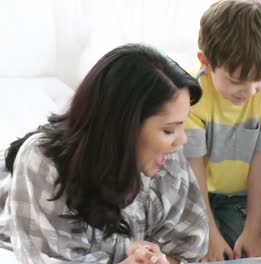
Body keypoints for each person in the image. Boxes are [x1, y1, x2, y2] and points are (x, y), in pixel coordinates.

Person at [0, 44, 208, 264]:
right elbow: (47, 257)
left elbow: (190, 246)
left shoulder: (165, 156)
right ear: (125, 126)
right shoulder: (41, 163)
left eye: (181, 126)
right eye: (168, 130)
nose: (181, 139)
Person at [183, 0, 261, 261]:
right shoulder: (189, 93)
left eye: (259, 80)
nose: (249, 91)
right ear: (205, 63)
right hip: (192, 196)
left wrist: (253, 231)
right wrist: (208, 233)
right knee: (196, 252)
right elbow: (191, 170)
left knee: (260, 253)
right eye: (236, 81)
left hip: (238, 200)